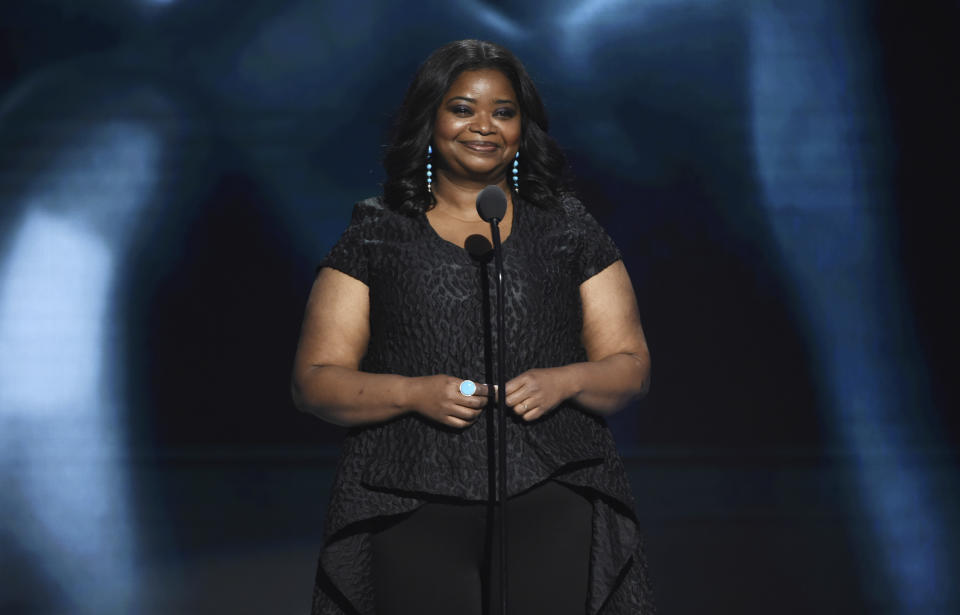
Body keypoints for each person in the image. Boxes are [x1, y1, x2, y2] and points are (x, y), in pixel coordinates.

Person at [291, 39, 653, 615]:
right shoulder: (375, 232)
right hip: (411, 496)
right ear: (429, 120)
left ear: (522, 126)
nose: (484, 126)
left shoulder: (568, 227)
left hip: (552, 489)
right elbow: (314, 381)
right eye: (463, 108)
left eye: (503, 111)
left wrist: (566, 380)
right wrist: (413, 393)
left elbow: (630, 366)